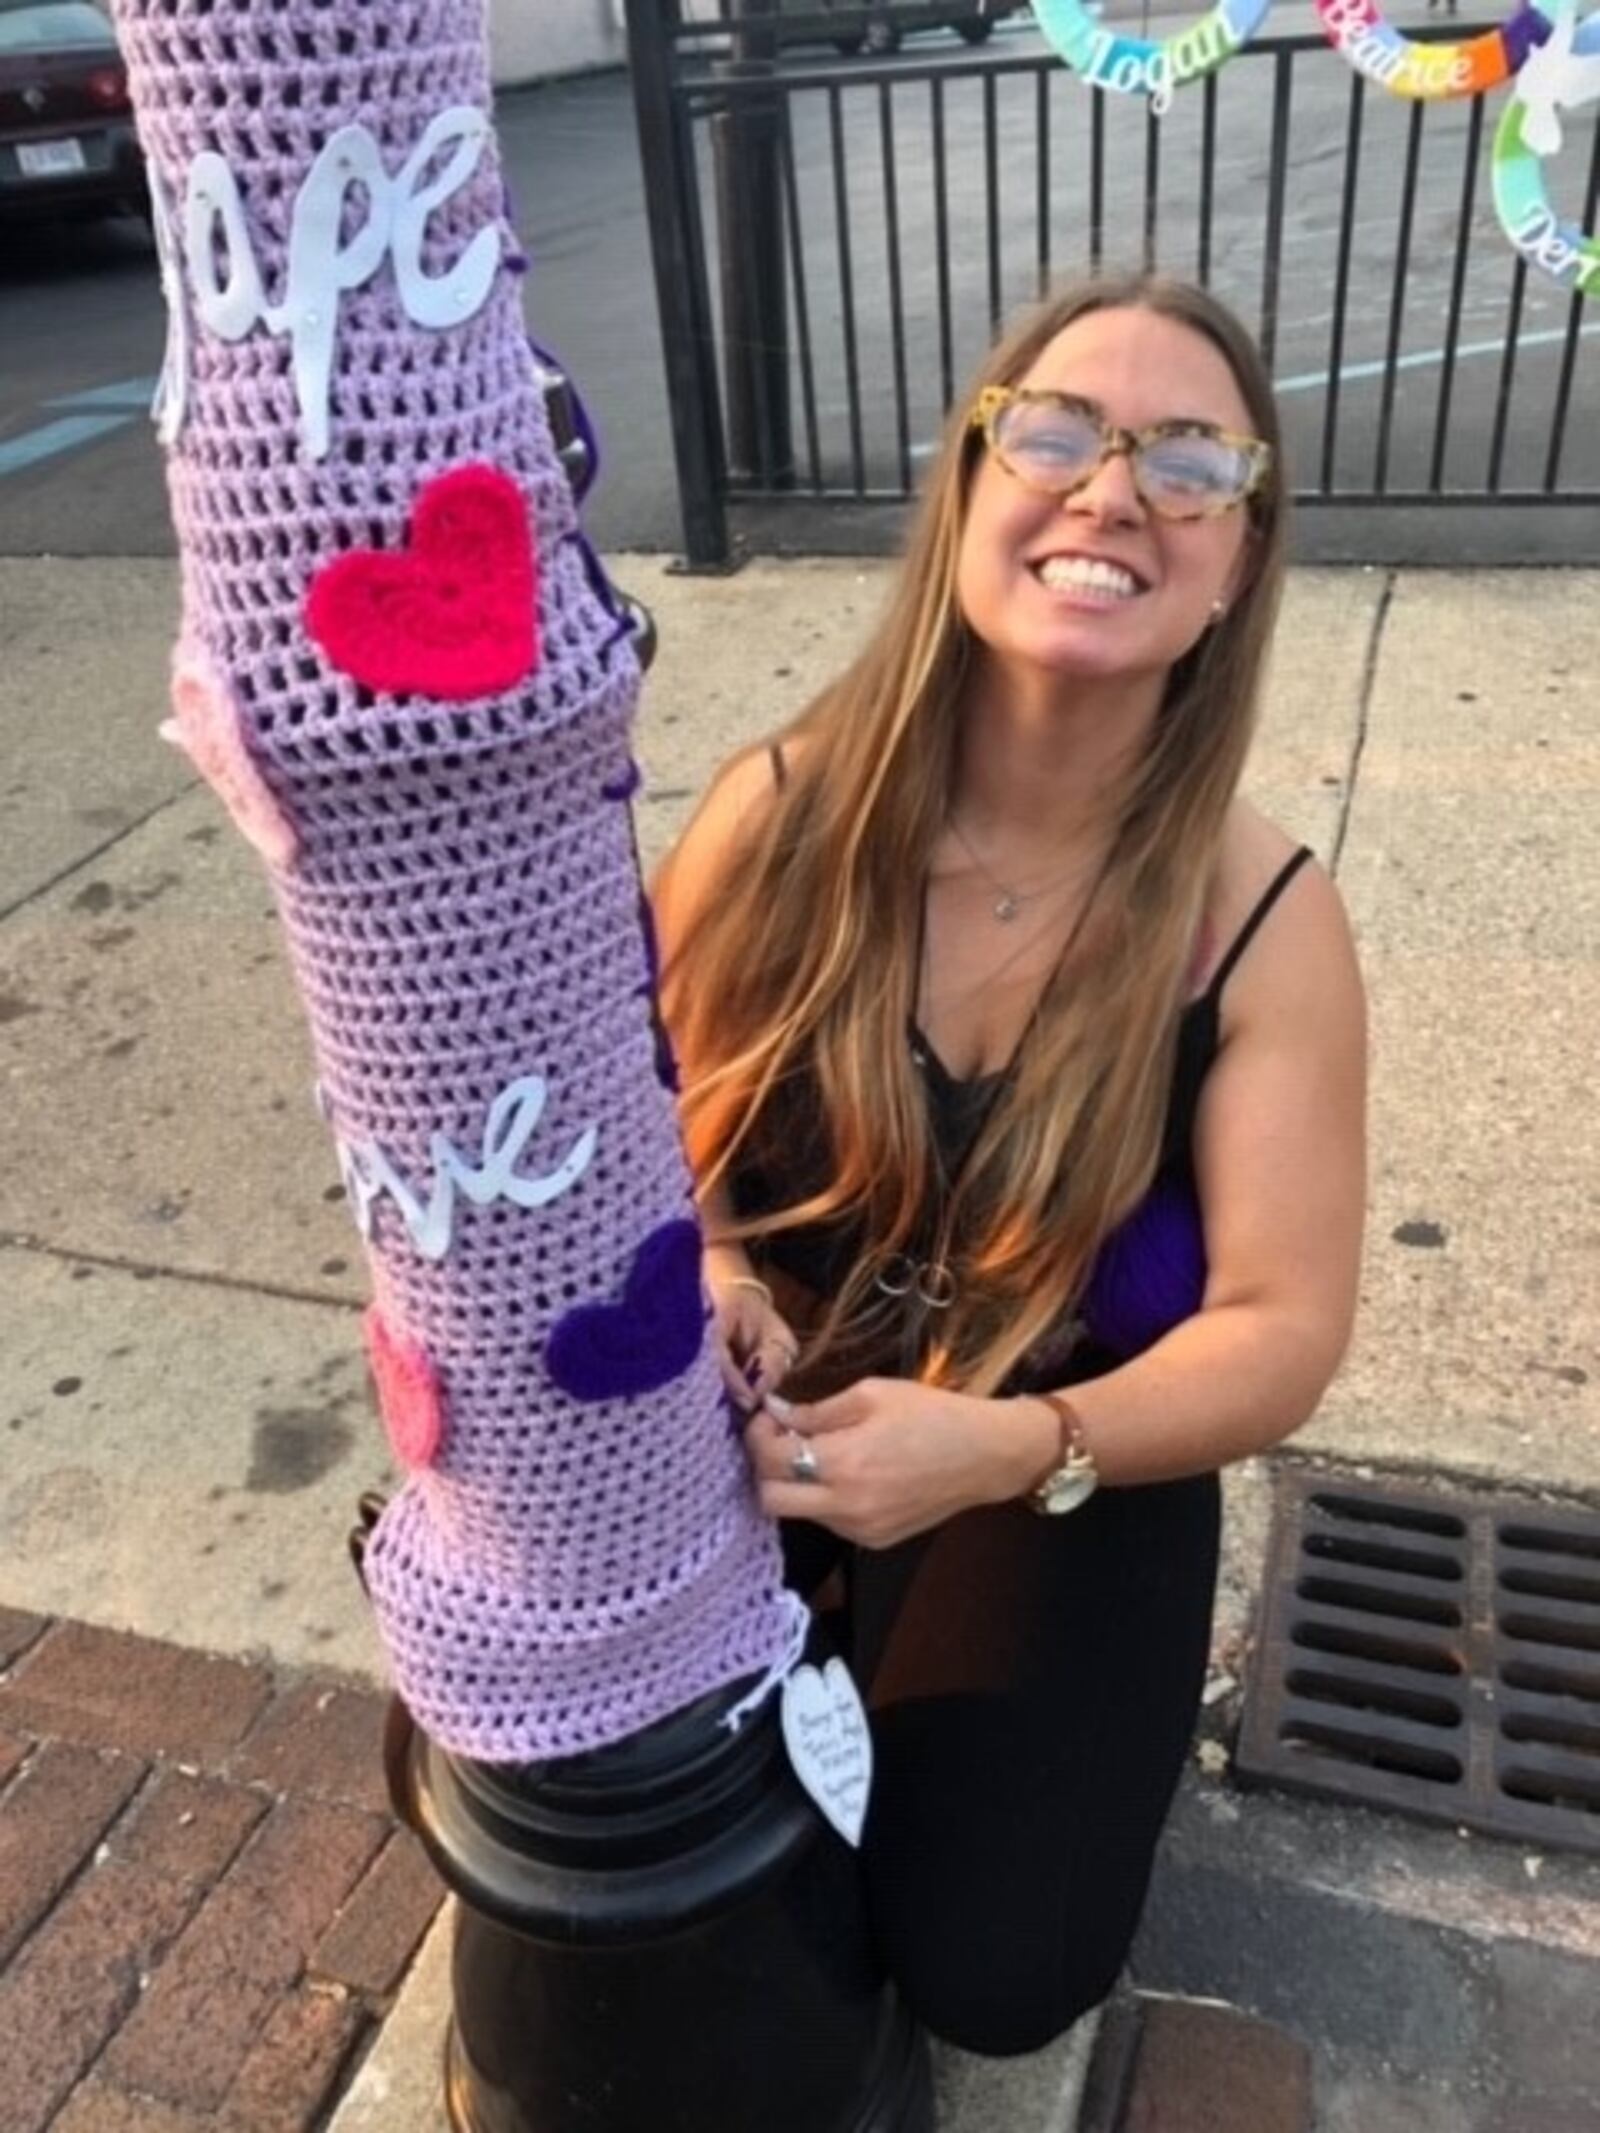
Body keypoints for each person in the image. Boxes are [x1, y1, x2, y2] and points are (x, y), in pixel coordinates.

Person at [651, 272, 1366, 2057]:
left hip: (1059, 1454)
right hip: (763, 1404)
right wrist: (723, 1274)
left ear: (1238, 554)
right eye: (1054, 433)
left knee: (992, 1974)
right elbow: (645, 1126)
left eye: (1185, 459)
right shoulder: (783, 808)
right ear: (970, 485)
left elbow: (1281, 1326)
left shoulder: (1264, 922)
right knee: (582, 1808)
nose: (1110, 490)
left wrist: (1018, 1448)